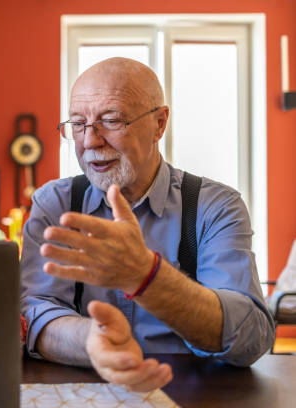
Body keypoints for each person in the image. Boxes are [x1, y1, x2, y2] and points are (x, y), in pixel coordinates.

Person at [20, 57, 275, 391]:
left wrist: (147, 277)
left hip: (193, 391)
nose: (90, 141)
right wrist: (93, 342)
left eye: (110, 121)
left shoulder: (215, 206)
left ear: (159, 123)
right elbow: (34, 311)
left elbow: (250, 336)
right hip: (86, 387)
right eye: (78, 124)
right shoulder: (55, 204)